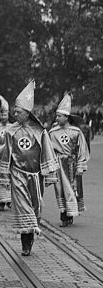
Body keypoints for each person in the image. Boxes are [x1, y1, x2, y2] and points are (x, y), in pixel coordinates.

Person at [0, 80, 59, 256]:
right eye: (14, 111)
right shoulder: (10, 131)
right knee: (23, 206)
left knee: (35, 207)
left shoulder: (40, 131)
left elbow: (47, 152)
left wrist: (50, 175)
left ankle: (30, 236)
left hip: (36, 175)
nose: (15, 114)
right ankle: (25, 241)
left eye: (18, 111)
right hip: (18, 174)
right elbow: (6, 154)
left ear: (27, 113)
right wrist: (4, 176)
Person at [48, 92, 89, 226]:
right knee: (60, 189)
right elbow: (48, 151)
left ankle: (70, 214)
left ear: (66, 117)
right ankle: (63, 214)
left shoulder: (76, 132)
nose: (57, 118)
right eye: (57, 115)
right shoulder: (52, 133)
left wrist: (80, 167)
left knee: (72, 189)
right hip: (58, 164)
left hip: (71, 164)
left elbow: (82, 150)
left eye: (60, 116)